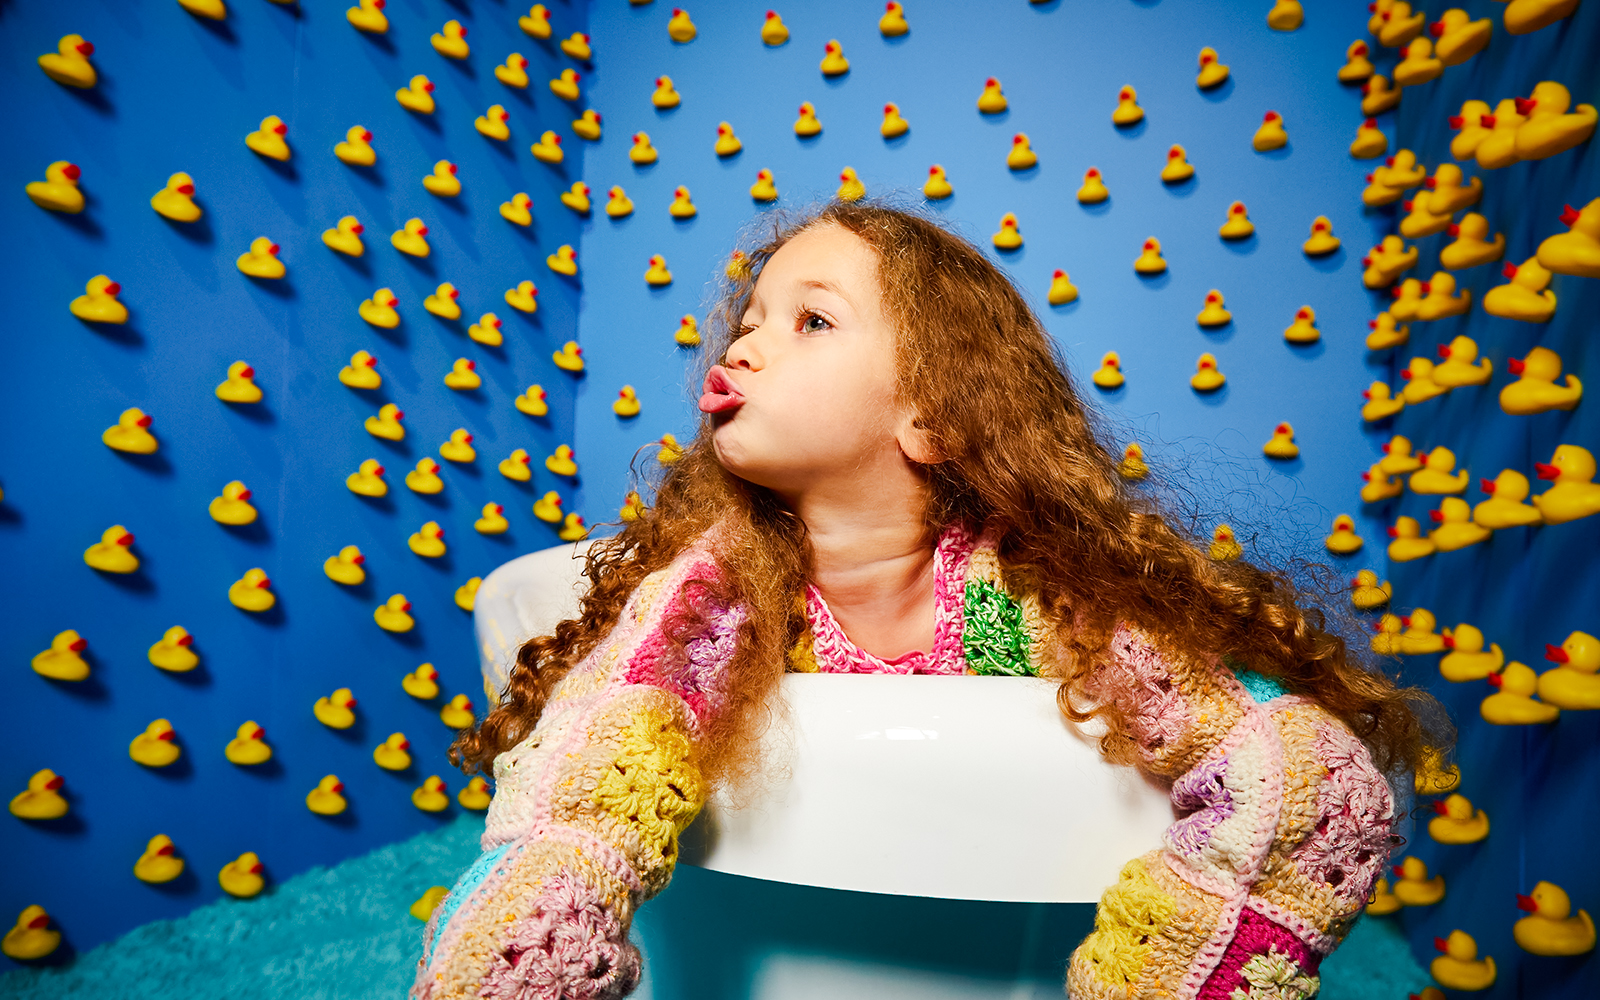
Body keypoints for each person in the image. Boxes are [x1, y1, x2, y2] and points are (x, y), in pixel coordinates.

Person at [410, 201, 1445, 1000]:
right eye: (749, 319)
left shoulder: (1038, 599)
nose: (740, 346)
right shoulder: (707, 603)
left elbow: (1298, 776)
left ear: (934, 419)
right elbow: (576, 808)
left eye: (811, 320)